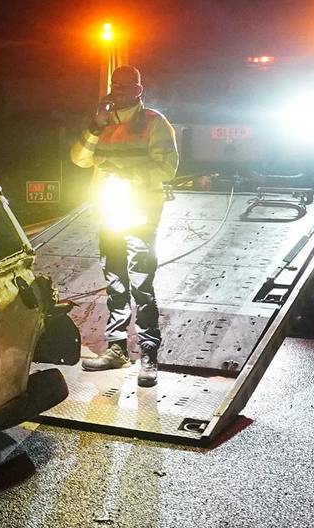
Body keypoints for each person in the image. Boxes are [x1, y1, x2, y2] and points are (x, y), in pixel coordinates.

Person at [70, 65, 179, 387]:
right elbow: (78, 159)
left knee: (141, 285)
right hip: (110, 211)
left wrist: (129, 175)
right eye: (115, 85)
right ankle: (116, 349)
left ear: (138, 90)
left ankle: (148, 353)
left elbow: (168, 168)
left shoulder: (153, 123)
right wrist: (93, 126)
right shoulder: (101, 124)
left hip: (141, 212)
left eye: (125, 85)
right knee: (115, 282)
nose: (119, 90)